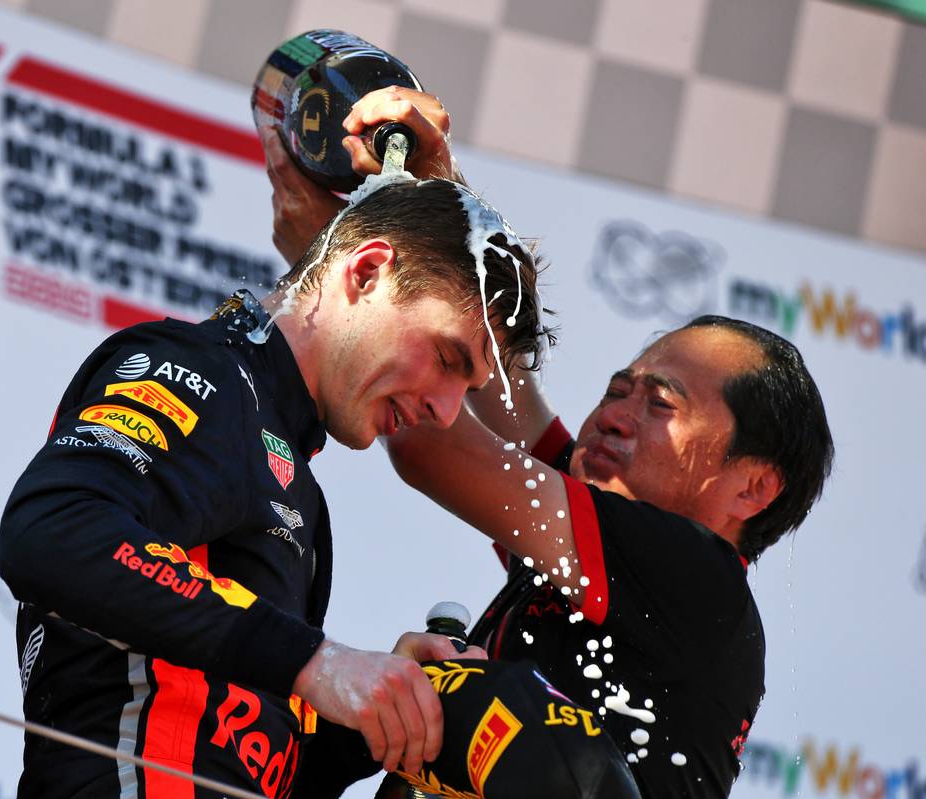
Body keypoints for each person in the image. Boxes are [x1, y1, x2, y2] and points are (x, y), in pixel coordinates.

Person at [263, 87, 835, 797]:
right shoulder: (607, 550)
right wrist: (446, 205)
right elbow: (499, 382)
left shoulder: (693, 575)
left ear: (751, 486)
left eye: (659, 404)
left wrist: (352, 270)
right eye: (618, 389)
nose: (615, 415)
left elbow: (431, 435)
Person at [0, 177, 549, 797]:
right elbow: (52, 529)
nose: (446, 413)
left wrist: (372, 719)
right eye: (448, 360)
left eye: (468, 390)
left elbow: (241, 763)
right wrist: (319, 663)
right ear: (366, 273)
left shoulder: (300, 491)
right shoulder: (201, 372)